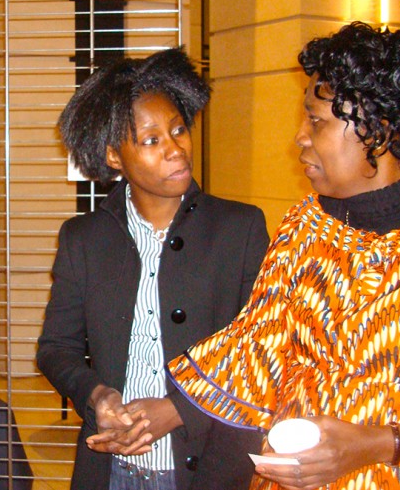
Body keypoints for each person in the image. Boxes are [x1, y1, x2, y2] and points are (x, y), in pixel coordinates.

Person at [167, 21, 400, 489]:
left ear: (379, 129)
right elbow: (258, 363)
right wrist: (170, 412)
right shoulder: (305, 229)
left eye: (317, 121)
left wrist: (384, 443)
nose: (300, 137)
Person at [36, 47, 270, 490]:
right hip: (112, 467)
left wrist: (180, 408)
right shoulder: (82, 239)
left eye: (178, 129)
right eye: (151, 140)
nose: (175, 149)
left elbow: (258, 350)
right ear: (113, 156)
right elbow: (55, 348)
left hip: (209, 464)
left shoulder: (239, 228)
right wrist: (95, 394)